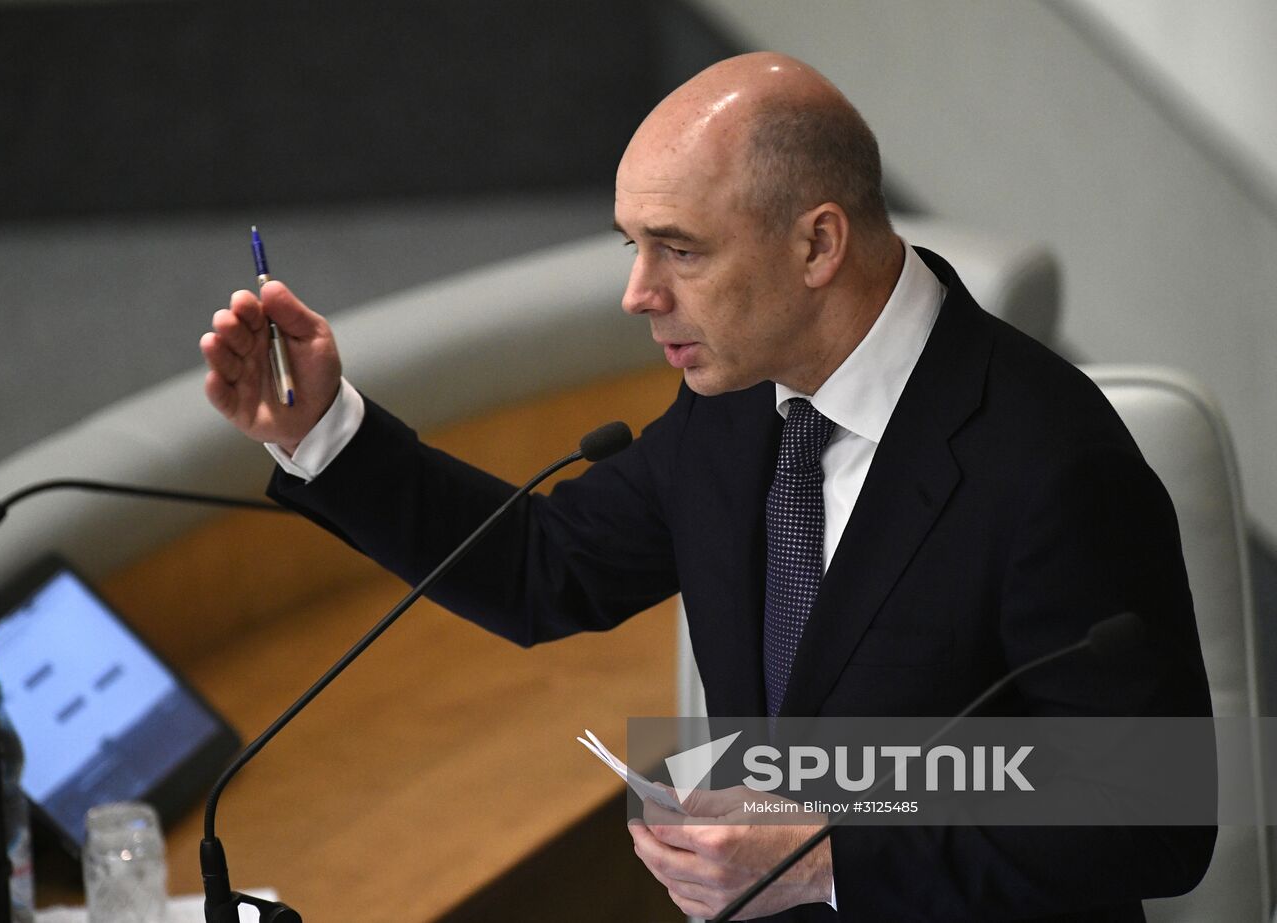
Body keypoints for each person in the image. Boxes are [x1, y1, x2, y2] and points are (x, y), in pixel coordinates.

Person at [200, 52, 1213, 921]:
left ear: (816, 244)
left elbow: (1152, 810)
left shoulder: (1047, 458)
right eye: (631, 245)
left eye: (677, 249)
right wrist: (321, 431)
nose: (638, 293)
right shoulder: (739, 400)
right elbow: (548, 569)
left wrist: (826, 855)